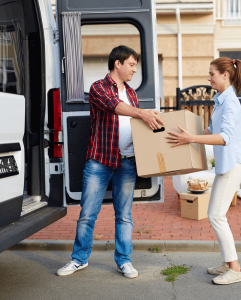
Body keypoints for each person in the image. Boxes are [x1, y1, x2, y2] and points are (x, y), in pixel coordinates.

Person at [57, 45, 164, 279]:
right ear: (118, 63)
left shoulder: (133, 93)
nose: (134, 70)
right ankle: (79, 259)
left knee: (124, 215)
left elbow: (137, 124)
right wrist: (142, 113)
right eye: (132, 64)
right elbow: (114, 107)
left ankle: (124, 261)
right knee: (87, 213)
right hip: (100, 162)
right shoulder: (98, 88)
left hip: (127, 163)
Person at [166, 57, 241, 285]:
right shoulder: (221, 100)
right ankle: (228, 262)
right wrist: (186, 133)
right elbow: (211, 130)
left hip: (234, 164)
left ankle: (235, 269)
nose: (208, 77)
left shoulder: (231, 102)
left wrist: (191, 138)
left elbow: (224, 138)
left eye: (212, 73)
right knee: (216, 214)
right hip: (227, 163)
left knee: (215, 215)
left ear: (225, 75)